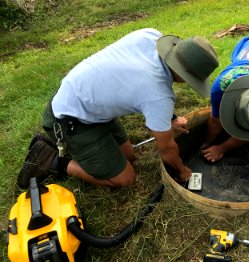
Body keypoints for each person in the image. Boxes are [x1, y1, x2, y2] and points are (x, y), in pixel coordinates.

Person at [17, 28, 219, 189]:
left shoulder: (149, 36)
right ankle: (54, 161)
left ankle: (90, 153)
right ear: (183, 73)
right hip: (68, 119)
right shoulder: (157, 94)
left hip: (88, 102)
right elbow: (165, 148)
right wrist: (183, 171)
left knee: (130, 157)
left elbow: (137, 85)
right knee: (125, 179)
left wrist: (171, 118)